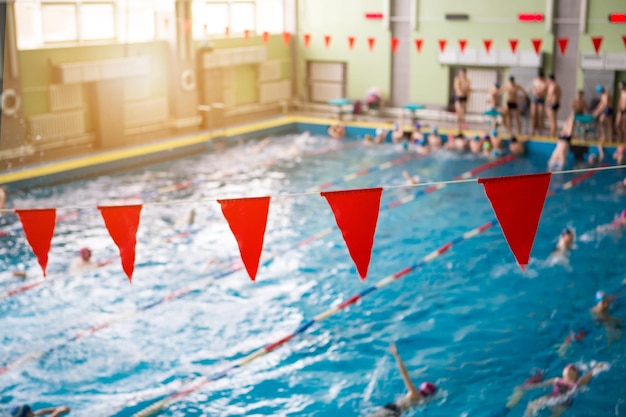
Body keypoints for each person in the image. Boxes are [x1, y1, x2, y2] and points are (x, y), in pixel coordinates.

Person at [368, 343, 437, 417]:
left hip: (393, 408)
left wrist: (396, 355)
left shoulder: (413, 393)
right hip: (398, 413)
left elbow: (404, 374)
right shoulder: (422, 401)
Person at [521, 363, 606, 417]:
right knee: (531, 406)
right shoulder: (557, 380)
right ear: (564, 373)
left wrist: (597, 367)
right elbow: (541, 384)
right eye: (569, 369)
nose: (570, 370)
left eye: (573, 369)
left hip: (564, 402)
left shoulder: (578, 383)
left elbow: (589, 374)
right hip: (551, 397)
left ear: (576, 375)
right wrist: (526, 387)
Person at [531, 70, 548, 136]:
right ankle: (533, 129)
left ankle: (540, 130)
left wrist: (540, 93)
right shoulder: (535, 80)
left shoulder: (545, 82)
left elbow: (545, 91)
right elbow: (533, 89)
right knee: (533, 115)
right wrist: (536, 93)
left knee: (540, 115)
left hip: (541, 98)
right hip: (535, 97)